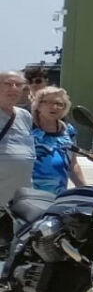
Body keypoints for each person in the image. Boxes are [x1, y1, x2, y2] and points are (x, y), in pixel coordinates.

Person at [28, 87, 84, 193]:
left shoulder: (69, 131)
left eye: (59, 104)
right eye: (48, 102)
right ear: (38, 106)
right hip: (28, 196)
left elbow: (73, 164)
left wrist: (84, 189)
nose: (54, 107)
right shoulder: (26, 128)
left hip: (58, 195)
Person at [0, 72, 32, 208]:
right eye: (8, 84)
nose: (14, 88)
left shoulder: (25, 116)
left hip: (18, 204)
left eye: (18, 85)